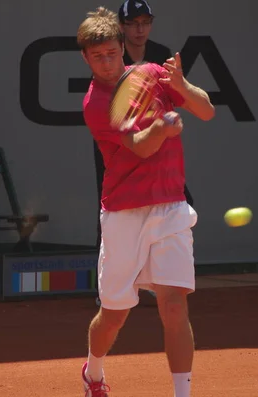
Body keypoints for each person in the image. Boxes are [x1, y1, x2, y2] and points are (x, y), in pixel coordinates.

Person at [77, 7, 215, 397]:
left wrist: (183, 86)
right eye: (97, 56)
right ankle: (94, 372)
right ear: (85, 58)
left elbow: (206, 110)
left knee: (174, 306)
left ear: (122, 47)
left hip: (170, 205)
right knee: (114, 315)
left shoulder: (153, 74)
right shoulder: (94, 103)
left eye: (111, 53)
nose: (106, 63)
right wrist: (162, 126)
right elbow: (139, 147)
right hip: (123, 214)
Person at [93, 0, 193, 304]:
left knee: (182, 201)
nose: (140, 30)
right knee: (114, 208)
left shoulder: (162, 54)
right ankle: (109, 289)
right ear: (122, 27)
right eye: (133, 23)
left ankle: (161, 281)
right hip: (120, 143)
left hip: (158, 146)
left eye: (145, 22)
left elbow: (175, 93)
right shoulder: (115, 55)